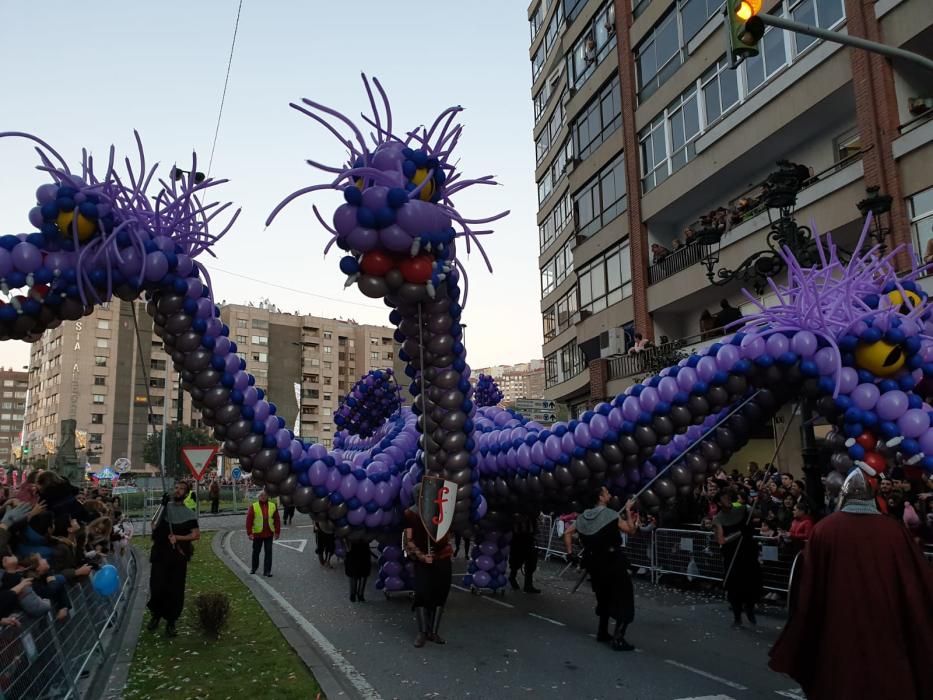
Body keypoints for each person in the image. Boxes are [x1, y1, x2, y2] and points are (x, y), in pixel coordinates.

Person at [769, 469, 933, 699]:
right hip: (887, 622)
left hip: (839, 623)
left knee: (843, 680)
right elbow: (916, 581)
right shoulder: (893, 530)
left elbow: (809, 586)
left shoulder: (825, 530)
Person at [575, 487, 639, 651]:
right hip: (612, 562)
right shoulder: (611, 515)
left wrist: (570, 553)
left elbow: (569, 533)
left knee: (603, 596)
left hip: (594, 564)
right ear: (601, 497)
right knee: (624, 597)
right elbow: (631, 530)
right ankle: (618, 638)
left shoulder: (583, 517)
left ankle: (602, 631)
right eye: (607, 492)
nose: (610, 494)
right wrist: (628, 510)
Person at [147, 480, 200, 637]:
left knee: (175, 589)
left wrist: (178, 537)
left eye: (181, 489)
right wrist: (162, 506)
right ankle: (156, 616)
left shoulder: (189, 513)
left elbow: (196, 534)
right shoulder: (165, 508)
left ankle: (171, 621)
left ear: (186, 493)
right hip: (160, 555)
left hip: (177, 558)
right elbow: (154, 525)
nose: (177, 491)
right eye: (176, 488)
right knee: (157, 587)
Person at [403, 493, 453, 648]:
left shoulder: (441, 512)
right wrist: (421, 556)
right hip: (423, 561)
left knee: (440, 593)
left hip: (442, 558)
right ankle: (422, 632)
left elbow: (447, 535)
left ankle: (433, 631)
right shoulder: (410, 514)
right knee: (422, 593)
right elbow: (408, 540)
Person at [713, 487, 761, 627]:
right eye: (724, 497)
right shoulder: (718, 519)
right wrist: (739, 533)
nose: (727, 499)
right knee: (734, 587)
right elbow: (721, 540)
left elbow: (759, 514)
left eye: (728, 496)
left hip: (748, 551)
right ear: (719, 502)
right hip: (732, 554)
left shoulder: (742, 509)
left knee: (752, 583)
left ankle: (750, 608)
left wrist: (760, 499)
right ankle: (737, 615)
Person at [246, 490, 280, 577]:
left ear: (268, 496)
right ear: (258, 497)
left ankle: (267, 571)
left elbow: (277, 520)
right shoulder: (254, 506)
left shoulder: (273, 505)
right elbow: (249, 520)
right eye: (261, 495)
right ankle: (254, 568)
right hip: (257, 533)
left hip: (269, 533)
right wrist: (249, 533)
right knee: (256, 552)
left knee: (268, 552)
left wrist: (277, 532)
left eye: (265, 495)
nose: (263, 497)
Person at [508, 508, 540, 594]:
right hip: (518, 538)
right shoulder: (518, 512)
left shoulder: (532, 513)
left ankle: (528, 585)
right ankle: (512, 577)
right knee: (516, 560)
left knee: (531, 562)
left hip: (529, 538)